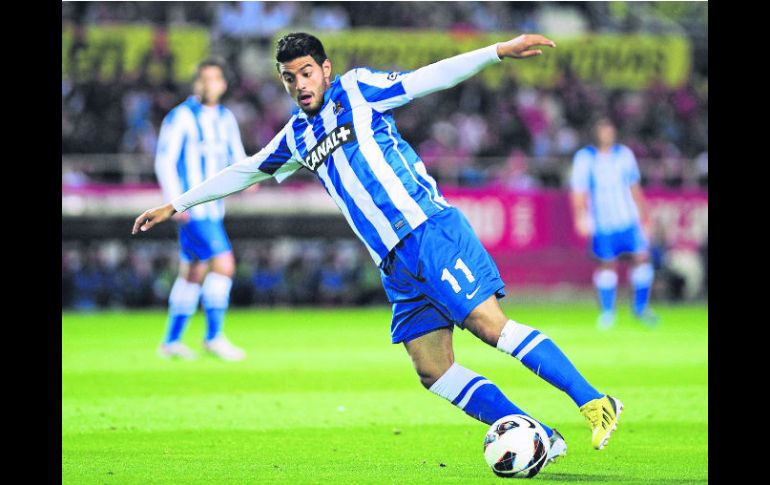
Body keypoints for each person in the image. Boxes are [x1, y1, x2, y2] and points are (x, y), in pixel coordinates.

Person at [134, 32, 623, 462]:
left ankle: (595, 400)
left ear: (325, 69)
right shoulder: (297, 136)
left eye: (306, 72)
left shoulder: (356, 89)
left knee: (489, 326)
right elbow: (245, 170)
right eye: (289, 78)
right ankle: (540, 435)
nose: (300, 85)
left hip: (429, 230)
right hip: (393, 262)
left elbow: (430, 77)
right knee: (433, 369)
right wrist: (177, 203)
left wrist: (496, 51)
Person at [153, 59, 248, 361]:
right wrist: (173, 201)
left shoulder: (225, 118)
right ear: (196, 83)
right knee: (224, 264)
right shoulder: (181, 117)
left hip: (214, 208)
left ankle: (171, 341)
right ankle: (213, 337)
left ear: (223, 84)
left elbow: (239, 156)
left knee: (193, 272)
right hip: (192, 208)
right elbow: (165, 160)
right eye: (204, 79)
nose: (210, 85)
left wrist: (253, 178)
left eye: (215, 79)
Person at [570, 117, 658, 329]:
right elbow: (579, 191)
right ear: (596, 133)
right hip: (603, 222)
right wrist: (580, 216)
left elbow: (634, 187)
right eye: (603, 130)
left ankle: (640, 309)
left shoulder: (624, 155)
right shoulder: (585, 158)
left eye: (609, 130)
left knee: (642, 258)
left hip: (628, 218)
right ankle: (608, 313)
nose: (607, 134)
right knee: (607, 263)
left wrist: (645, 216)